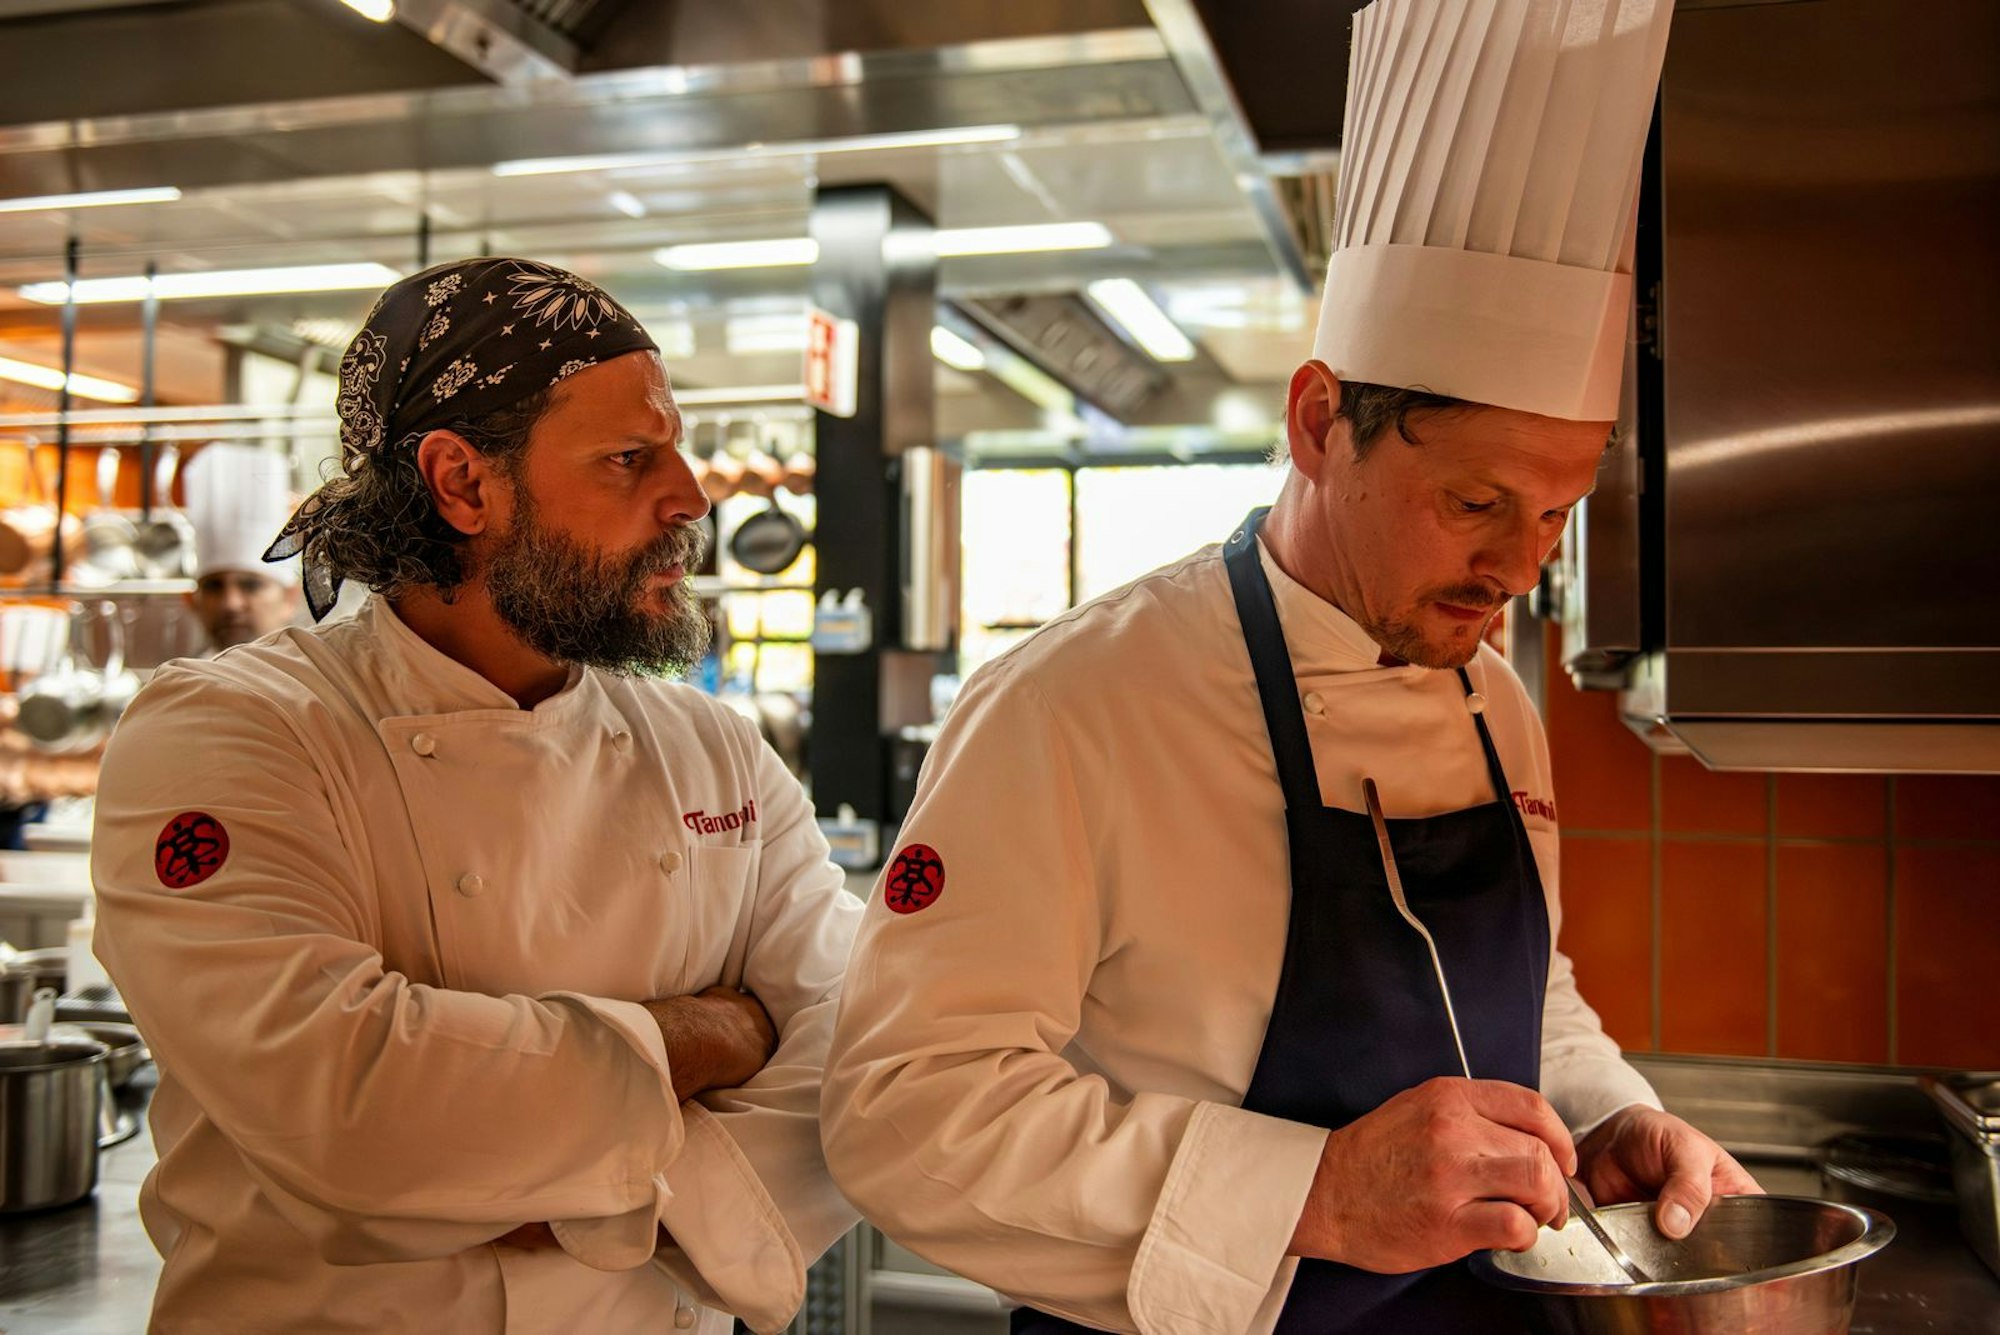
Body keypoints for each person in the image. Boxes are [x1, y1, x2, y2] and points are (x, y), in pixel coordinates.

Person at [821, 3, 1757, 1332]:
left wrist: (1612, 1113)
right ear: (1321, 421)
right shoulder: (1076, 705)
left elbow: (1514, 987)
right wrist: (1309, 1189)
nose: (1519, 567)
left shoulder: (1499, 701)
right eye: (1479, 500)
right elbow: (903, 1110)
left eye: (1556, 514)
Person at [91, 257, 863, 1334]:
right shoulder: (234, 732)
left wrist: (569, 1199)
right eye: (628, 458)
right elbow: (351, 1112)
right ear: (462, 483)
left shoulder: (714, 750)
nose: (687, 497)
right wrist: (718, 1034)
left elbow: (856, 1061)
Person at [181, 441, 305, 652]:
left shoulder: (316, 682)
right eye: (213, 586)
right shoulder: (179, 682)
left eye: (251, 585)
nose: (231, 604)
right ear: (193, 602)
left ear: (290, 598)